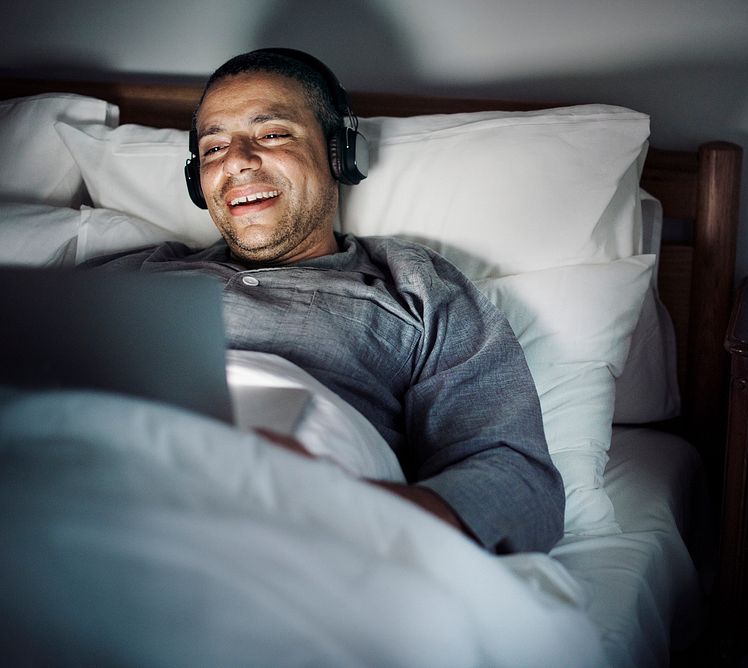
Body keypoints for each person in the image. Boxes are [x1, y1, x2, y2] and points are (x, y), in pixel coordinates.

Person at [84, 48, 564, 555]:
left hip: (285, 526)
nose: (238, 161)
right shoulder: (129, 274)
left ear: (339, 153)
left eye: (271, 135)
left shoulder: (416, 287)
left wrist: (349, 510)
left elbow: (516, 480)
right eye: (213, 148)